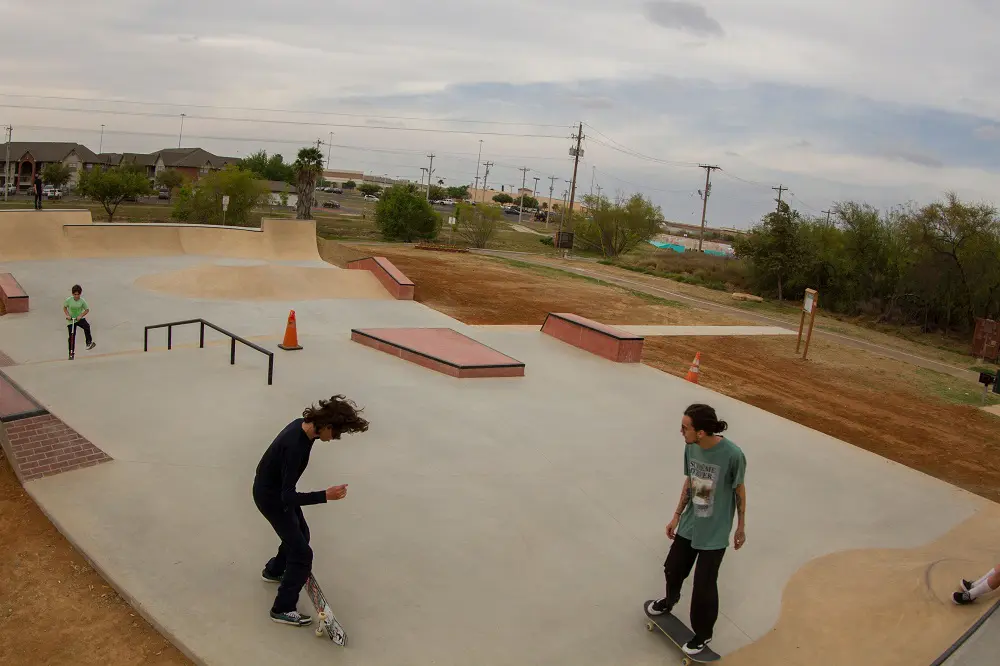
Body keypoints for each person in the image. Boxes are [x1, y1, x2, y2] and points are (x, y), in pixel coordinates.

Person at [252, 395, 370, 626]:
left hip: (270, 491)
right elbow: (288, 495)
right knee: (303, 553)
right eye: (335, 433)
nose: (334, 438)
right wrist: (325, 496)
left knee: (301, 537)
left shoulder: (302, 426)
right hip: (273, 499)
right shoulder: (295, 446)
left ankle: (274, 570)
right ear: (326, 426)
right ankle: (283, 608)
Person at [645, 403, 747, 656]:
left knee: (704, 586)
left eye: (685, 428)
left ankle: (703, 634)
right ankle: (670, 600)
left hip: (715, 531)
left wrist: (740, 527)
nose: (681, 432)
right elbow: (691, 481)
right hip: (691, 522)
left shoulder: (733, 455)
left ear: (701, 432)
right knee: (673, 568)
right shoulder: (691, 448)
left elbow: (739, 490)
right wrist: (677, 515)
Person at [63, 284, 96, 359]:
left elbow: (87, 310)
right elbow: (65, 308)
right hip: (71, 320)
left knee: (86, 326)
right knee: (72, 336)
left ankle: (88, 342)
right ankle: (71, 353)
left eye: (78, 294)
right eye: (75, 294)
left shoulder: (82, 301)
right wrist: (68, 315)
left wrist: (81, 316)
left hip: (79, 319)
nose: (76, 296)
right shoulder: (69, 300)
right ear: (72, 294)